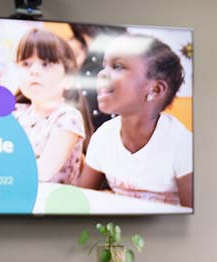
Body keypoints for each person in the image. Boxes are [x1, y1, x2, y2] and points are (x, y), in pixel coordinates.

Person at [78, 34, 193, 208]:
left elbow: (193, 219)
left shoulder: (181, 143)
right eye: (104, 66)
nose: (102, 74)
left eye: (117, 66)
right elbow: (80, 203)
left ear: (155, 89)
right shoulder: (103, 137)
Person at [12, 28, 85, 184]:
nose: (34, 71)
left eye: (46, 64)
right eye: (26, 64)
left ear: (68, 79)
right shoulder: (14, 113)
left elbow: (43, 173)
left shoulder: (67, 117)